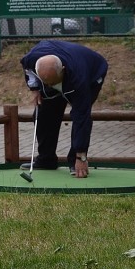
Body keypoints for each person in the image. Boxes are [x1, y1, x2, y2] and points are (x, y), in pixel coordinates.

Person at [19, 40, 108, 178]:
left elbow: (82, 117)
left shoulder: (80, 79)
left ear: (63, 70)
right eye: (46, 82)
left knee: (79, 116)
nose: (49, 85)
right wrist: (35, 88)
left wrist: (81, 157)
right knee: (44, 114)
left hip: (92, 74)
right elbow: (28, 72)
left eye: (52, 83)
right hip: (58, 73)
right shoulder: (31, 59)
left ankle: (75, 160)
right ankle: (46, 159)